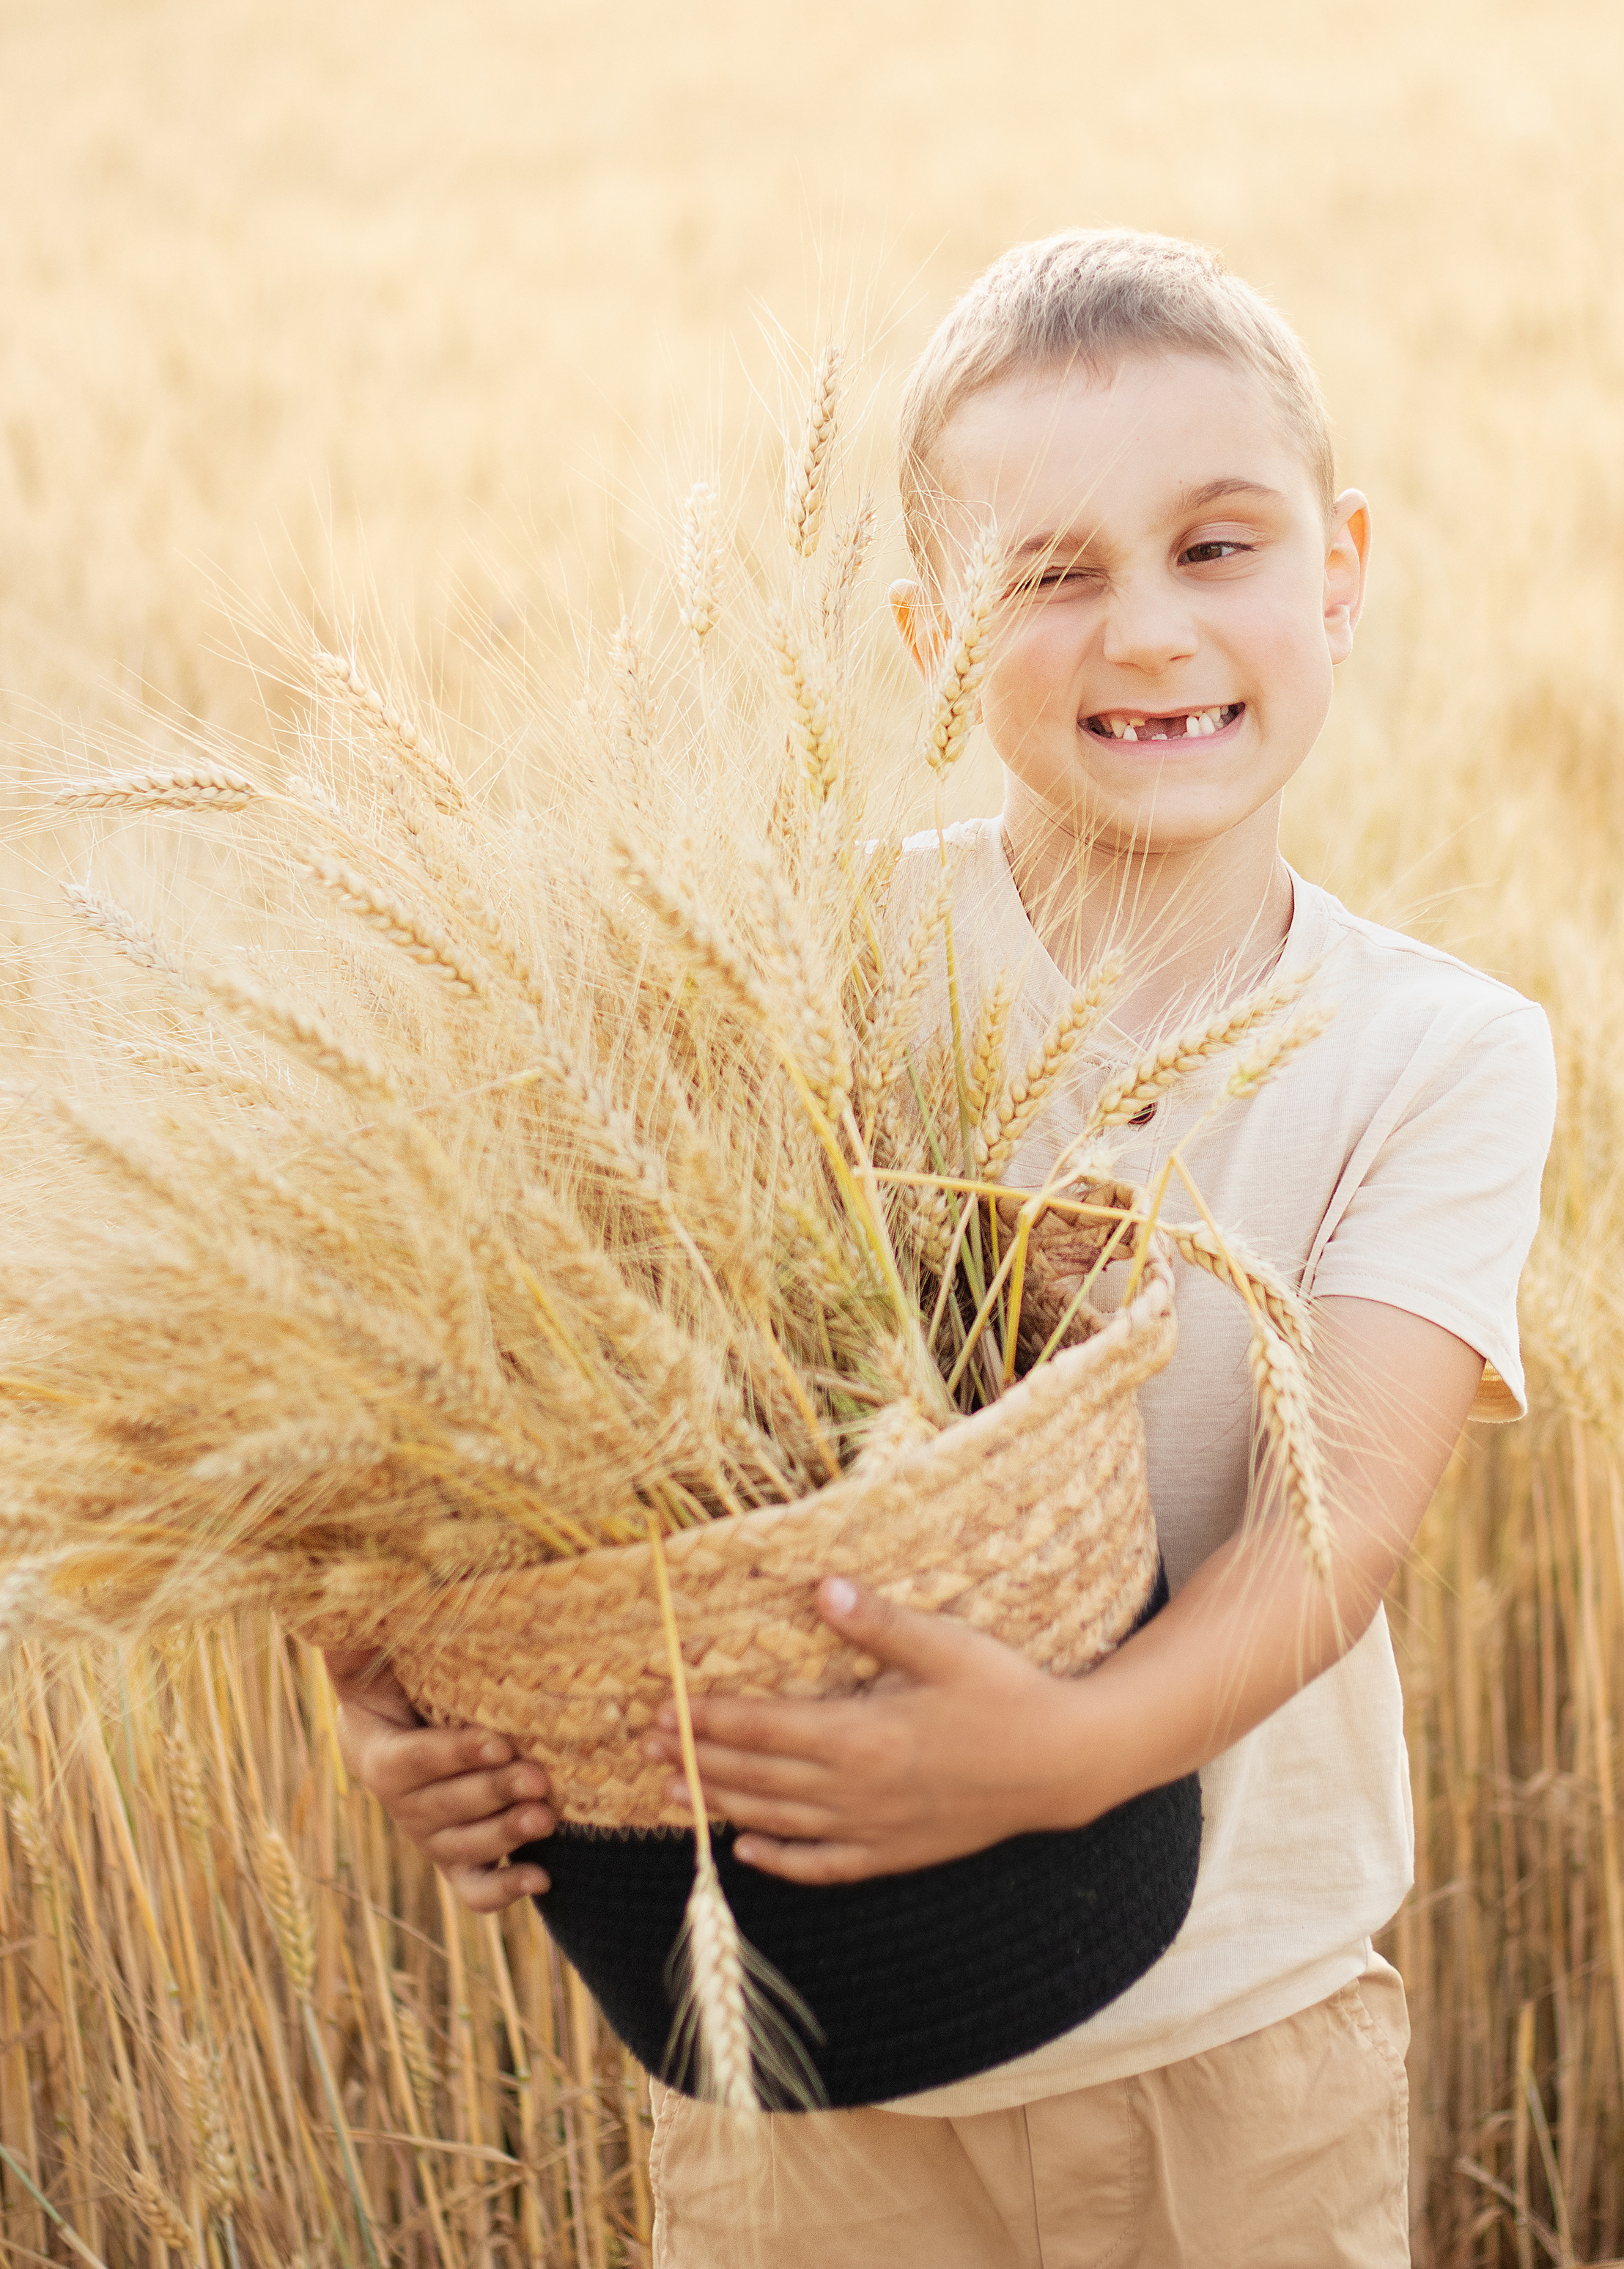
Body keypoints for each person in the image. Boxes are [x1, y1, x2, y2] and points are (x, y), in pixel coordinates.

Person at [328, 227, 1555, 2267]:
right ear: (931, 636)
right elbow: (485, 1375)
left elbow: (1331, 1531)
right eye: (1048, 576)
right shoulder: (792, 966)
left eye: (1217, 547)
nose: (1146, 631)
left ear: (1340, 566)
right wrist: (403, 1700)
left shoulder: (1440, 1054)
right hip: (797, 2051)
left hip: (1228, 2055)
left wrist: (1069, 1761)